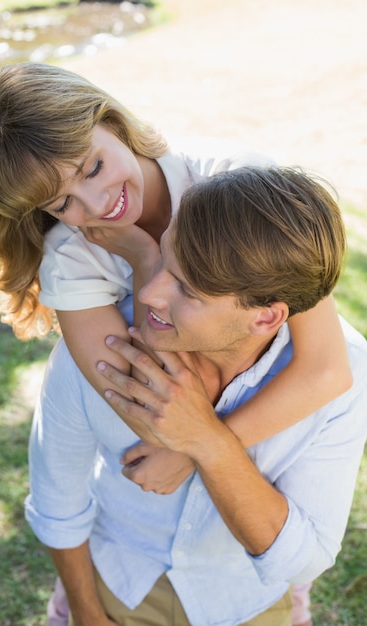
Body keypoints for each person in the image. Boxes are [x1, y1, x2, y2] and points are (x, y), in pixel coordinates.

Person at [26, 166, 367, 626]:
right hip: (115, 584)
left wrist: (205, 441)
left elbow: (302, 560)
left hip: (245, 599)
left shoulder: (347, 372)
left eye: (186, 289)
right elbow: (55, 502)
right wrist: (86, 612)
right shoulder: (97, 347)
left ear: (266, 319)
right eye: (163, 260)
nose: (149, 291)